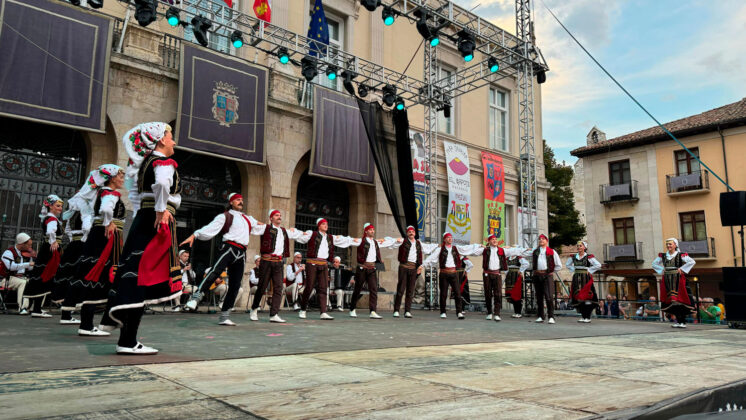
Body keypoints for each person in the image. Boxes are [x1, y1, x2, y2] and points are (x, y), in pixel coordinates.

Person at [106, 122, 183, 355]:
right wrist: (161, 210)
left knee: (135, 276)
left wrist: (150, 211)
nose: (174, 140)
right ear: (160, 140)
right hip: (156, 222)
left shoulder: (144, 165)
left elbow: (137, 196)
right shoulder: (162, 161)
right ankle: (128, 341)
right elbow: (161, 184)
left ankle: (127, 339)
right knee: (141, 277)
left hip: (144, 219)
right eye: (170, 136)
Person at [181, 193, 259, 326]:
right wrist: (195, 234)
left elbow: (261, 226)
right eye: (237, 200)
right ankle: (196, 298)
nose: (241, 201)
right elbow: (210, 229)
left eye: (241, 199)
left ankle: (224, 316)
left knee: (235, 285)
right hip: (229, 247)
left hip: (241, 253)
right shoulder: (225, 216)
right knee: (215, 271)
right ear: (231, 202)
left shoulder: (248, 218)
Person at [70, 164, 127, 336]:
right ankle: (89, 325)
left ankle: (87, 323)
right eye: (120, 176)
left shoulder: (100, 193)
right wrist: (109, 222)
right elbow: (105, 209)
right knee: (99, 275)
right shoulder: (110, 193)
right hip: (106, 238)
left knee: (93, 276)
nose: (123, 179)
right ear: (111, 178)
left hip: (98, 236)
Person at [292, 218, 357, 320]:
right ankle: (303, 309)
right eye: (323, 224)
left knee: (323, 288)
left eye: (326, 224)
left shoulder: (330, 237)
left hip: (324, 264)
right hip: (312, 263)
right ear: (319, 226)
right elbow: (300, 236)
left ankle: (323, 312)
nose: (326, 225)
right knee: (309, 287)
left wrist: (353, 240)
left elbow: (343, 240)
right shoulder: (312, 234)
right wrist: (293, 232)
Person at [248, 209, 304, 323]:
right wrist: (256, 222)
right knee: (262, 286)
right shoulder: (265, 228)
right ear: (271, 218)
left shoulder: (284, 231)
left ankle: (274, 314)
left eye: (280, 215)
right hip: (266, 261)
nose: (279, 217)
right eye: (276, 215)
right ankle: (254, 308)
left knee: (279, 288)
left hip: (278, 263)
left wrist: (298, 231)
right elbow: (251, 227)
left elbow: (297, 234)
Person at [23, 194, 65, 318]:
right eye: (57, 206)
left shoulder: (50, 218)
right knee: (45, 276)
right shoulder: (51, 219)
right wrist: (53, 241)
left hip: (48, 249)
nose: (60, 208)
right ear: (50, 206)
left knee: (43, 276)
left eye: (61, 206)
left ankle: (37, 308)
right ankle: (38, 308)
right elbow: (50, 231)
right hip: (50, 251)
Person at [348, 223, 397, 319]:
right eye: (370, 230)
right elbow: (350, 242)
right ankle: (352, 308)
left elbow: (381, 248)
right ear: (366, 231)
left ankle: (373, 311)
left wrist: (379, 260)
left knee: (373, 289)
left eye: (373, 230)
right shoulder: (361, 241)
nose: (372, 231)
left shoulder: (375, 242)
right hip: (362, 268)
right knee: (358, 289)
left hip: (372, 268)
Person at [469, 235, 524, 321]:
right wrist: (479, 245)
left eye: (495, 239)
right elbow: (472, 252)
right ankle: (489, 312)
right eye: (492, 239)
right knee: (488, 293)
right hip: (487, 274)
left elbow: (516, 251)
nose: (495, 240)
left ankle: (497, 313)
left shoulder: (502, 250)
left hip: (497, 274)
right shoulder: (485, 250)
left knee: (498, 294)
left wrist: (526, 250)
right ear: (489, 241)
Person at [652, 238, 696, 328]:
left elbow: (692, 261)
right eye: (667, 244)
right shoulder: (663, 256)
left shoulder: (681, 255)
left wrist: (682, 269)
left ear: (675, 245)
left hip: (678, 279)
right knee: (672, 301)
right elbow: (654, 264)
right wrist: (661, 270)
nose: (668, 246)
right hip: (667, 279)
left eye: (670, 244)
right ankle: (677, 321)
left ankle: (682, 322)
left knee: (680, 300)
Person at [423, 232, 466, 320]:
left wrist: (479, 246)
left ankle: (459, 312)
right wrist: (422, 265)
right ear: (445, 239)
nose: (450, 239)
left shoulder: (455, 248)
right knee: (443, 294)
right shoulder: (440, 249)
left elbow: (467, 249)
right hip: (444, 273)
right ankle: (443, 312)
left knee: (458, 293)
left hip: (453, 273)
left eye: (451, 237)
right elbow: (431, 257)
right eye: (448, 237)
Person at [522, 234, 562, 324]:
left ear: (546, 241)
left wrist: (552, 271)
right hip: (537, 275)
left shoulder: (552, 251)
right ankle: (541, 316)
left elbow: (559, 265)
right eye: (540, 239)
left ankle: (551, 316)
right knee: (539, 296)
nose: (541, 240)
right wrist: (523, 249)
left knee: (549, 296)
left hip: (547, 275)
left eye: (543, 239)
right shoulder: (535, 251)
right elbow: (522, 253)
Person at [391, 226, 425, 319]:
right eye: (409, 231)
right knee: (401, 289)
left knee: (410, 290)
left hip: (413, 268)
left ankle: (407, 311)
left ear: (415, 233)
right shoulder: (403, 241)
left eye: (412, 231)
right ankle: (396, 310)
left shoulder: (418, 243)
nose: (411, 233)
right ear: (407, 233)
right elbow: (392, 243)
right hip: (404, 267)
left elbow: (420, 255)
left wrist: (420, 266)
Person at [566, 241, 602, 323]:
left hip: (586, 278)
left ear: (584, 247)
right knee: (578, 296)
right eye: (578, 246)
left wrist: (589, 270)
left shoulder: (589, 257)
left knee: (587, 297)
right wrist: (574, 270)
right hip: (576, 278)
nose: (579, 247)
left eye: (580, 246)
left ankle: (587, 316)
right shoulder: (574, 257)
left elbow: (598, 265)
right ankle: (583, 316)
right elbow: (568, 265)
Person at [1, 233, 35, 314]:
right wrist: (28, 264)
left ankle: (35, 308)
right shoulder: (9, 252)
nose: (30, 247)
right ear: (22, 244)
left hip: (22, 277)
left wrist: (35, 264)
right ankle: (22, 308)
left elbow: (30, 268)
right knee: (23, 282)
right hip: (9, 279)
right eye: (29, 245)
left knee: (35, 282)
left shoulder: (28, 253)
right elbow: (11, 267)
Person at [504, 247, 530, 318]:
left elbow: (526, 264)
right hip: (509, 277)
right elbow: (504, 266)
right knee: (511, 294)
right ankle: (516, 312)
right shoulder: (507, 258)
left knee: (517, 294)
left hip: (516, 276)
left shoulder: (519, 258)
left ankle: (519, 312)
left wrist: (521, 270)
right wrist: (506, 273)